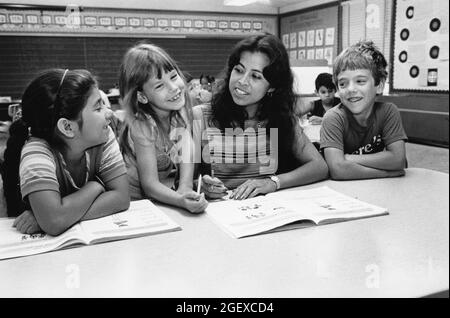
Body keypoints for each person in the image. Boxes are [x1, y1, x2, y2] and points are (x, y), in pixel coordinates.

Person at [193, 34, 328, 200]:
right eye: (239, 70)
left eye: (255, 76)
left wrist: (273, 182)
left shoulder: (282, 119)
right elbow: (182, 183)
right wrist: (200, 187)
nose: (242, 81)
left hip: (265, 213)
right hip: (216, 215)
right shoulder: (201, 116)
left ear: (272, 87)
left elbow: (319, 166)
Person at [1, 69, 130, 235]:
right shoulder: (36, 152)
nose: (109, 113)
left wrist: (57, 217)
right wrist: (96, 186)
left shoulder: (103, 136)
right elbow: (54, 221)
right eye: (98, 108)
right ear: (67, 127)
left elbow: (121, 197)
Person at [119, 43, 208, 213]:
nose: (173, 88)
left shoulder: (179, 113)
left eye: (173, 77)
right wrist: (180, 200)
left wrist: (185, 189)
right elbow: (150, 185)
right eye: (159, 86)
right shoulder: (142, 125)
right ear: (142, 96)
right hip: (134, 207)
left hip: (161, 202)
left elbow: (187, 157)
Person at [320, 40, 407, 180]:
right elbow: (338, 169)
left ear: (379, 85)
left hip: (377, 190)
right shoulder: (333, 118)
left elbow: (398, 160)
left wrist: (347, 158)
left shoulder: (389, 111)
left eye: (360, 81)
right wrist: (387, 173)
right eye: (343, 84)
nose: (351, 89)